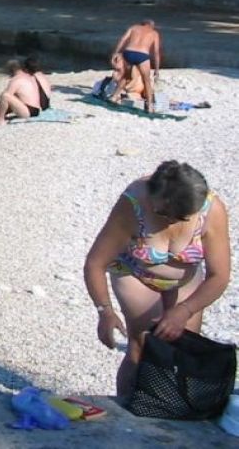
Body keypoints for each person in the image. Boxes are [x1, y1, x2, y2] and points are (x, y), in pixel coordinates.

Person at [84, 161, 231, 398]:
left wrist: (184, 310)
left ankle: (169, 414)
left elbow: (220, 275)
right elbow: (95, 263)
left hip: (186, 278)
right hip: (135, 273)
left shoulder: (211, 210)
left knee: (182, 349)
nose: (171, 221)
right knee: (142, 347)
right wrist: (105, 311)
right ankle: (129, 413)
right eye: (163, 213)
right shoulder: (133, 203)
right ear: (152, 197)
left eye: (181, 218)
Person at [0, 57, 52, 123]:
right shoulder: (29, 76)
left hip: (28, 111)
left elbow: (5, 98)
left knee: (5, 95)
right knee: (14, 96)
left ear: (11, 71)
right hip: (37, 109)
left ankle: (0, 119)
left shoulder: (16, 79)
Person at [112, 20, 161, 113]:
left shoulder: (134, 28)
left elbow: (123, 39)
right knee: (146, 81)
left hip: (128, 52)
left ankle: (114, 97)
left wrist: (116, 52)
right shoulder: (154, 33)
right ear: (152, 26)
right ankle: (150, 107)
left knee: (126, 77)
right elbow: (156, 52)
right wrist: (157, 70)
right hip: (142, 55)